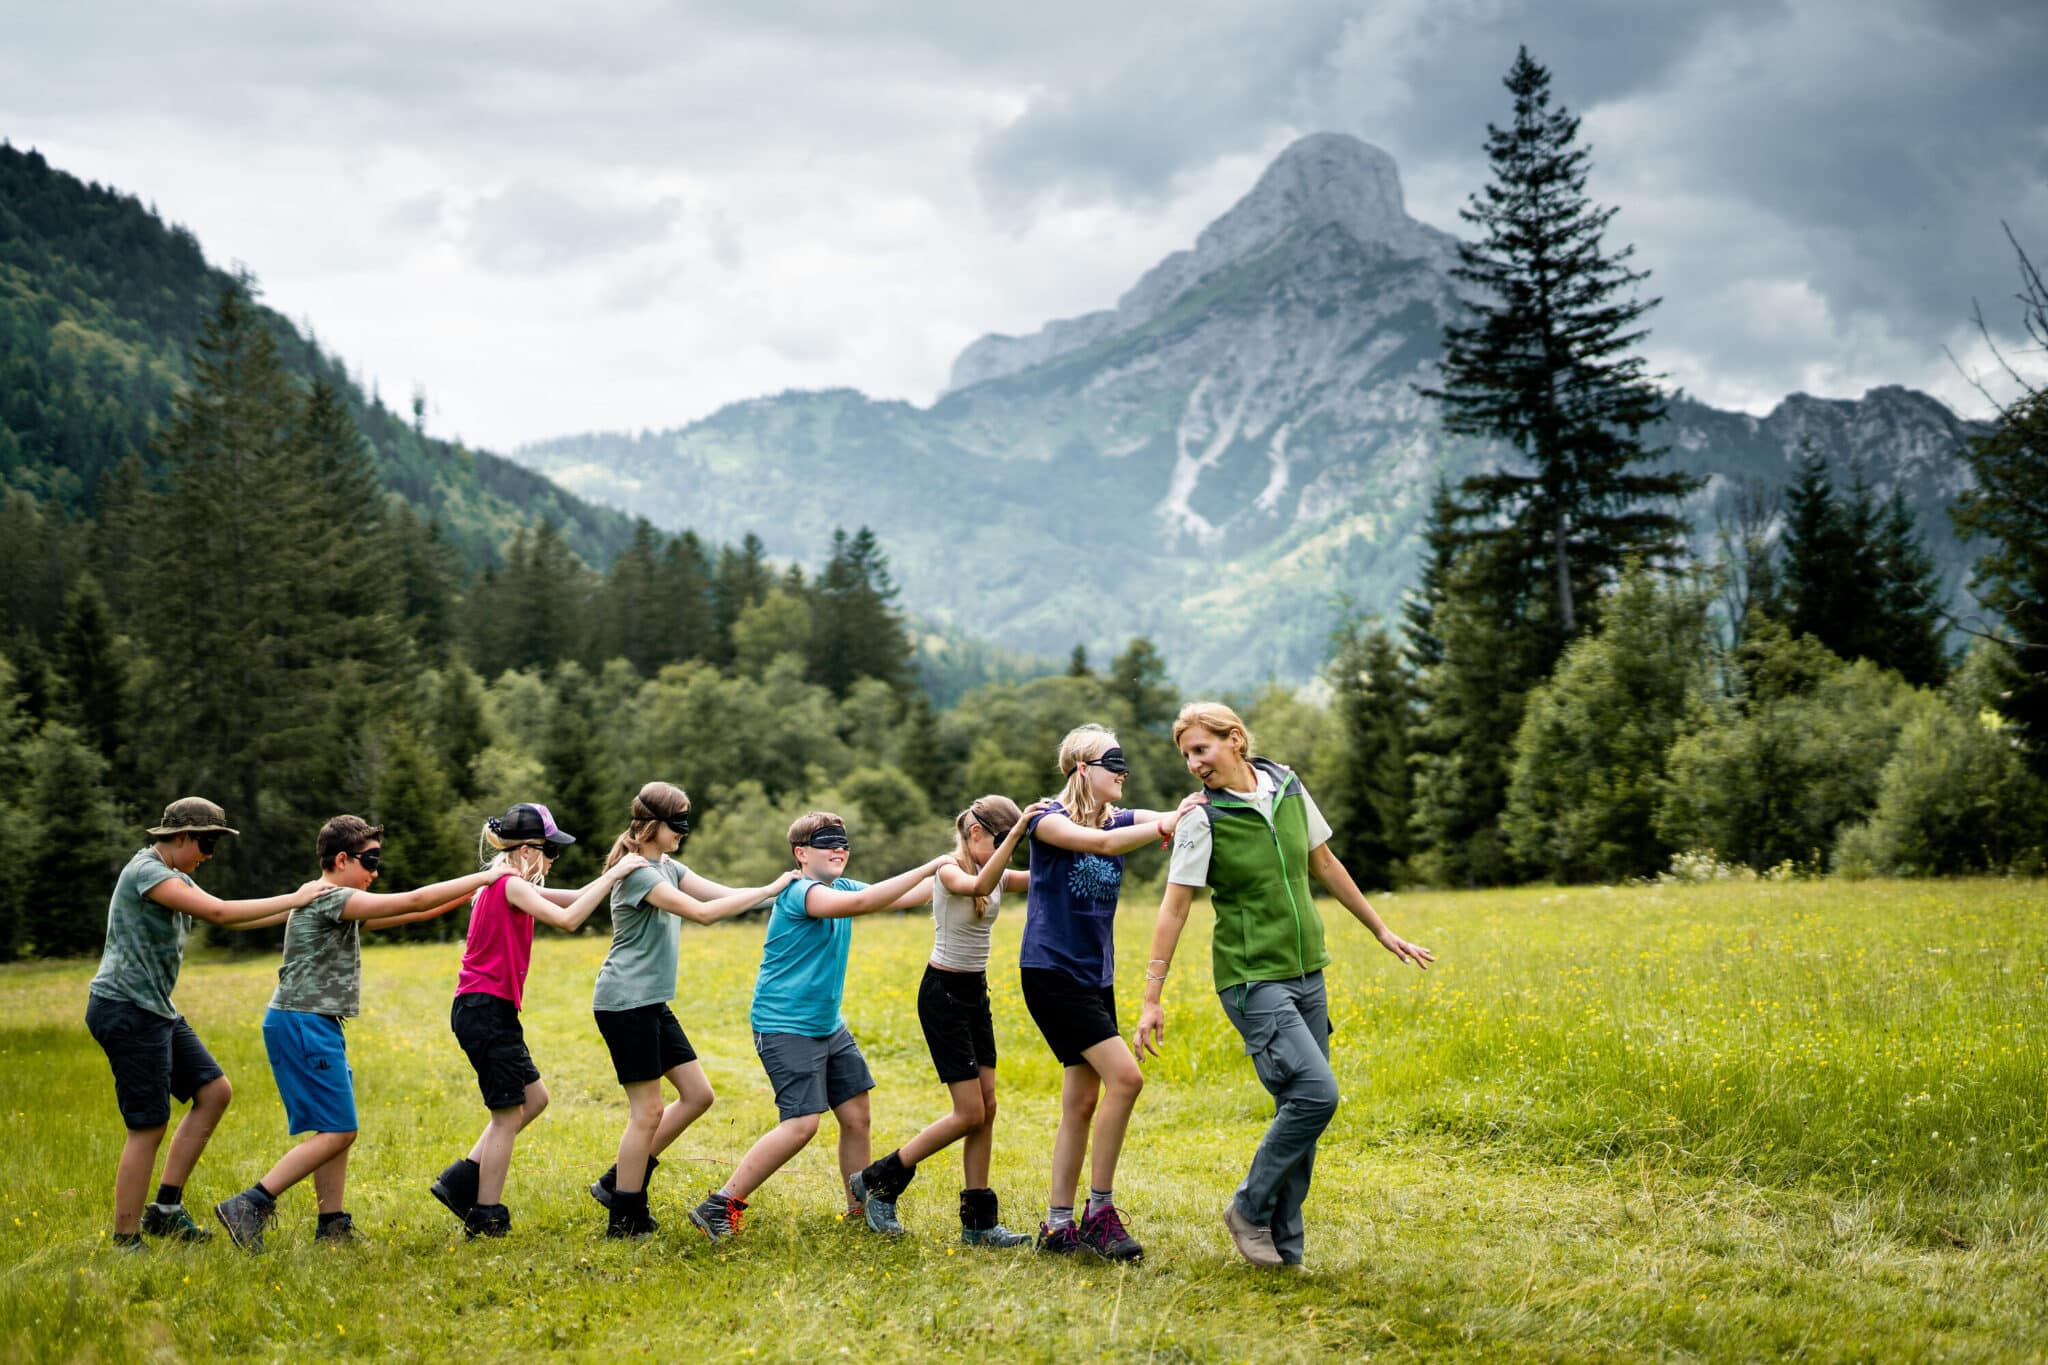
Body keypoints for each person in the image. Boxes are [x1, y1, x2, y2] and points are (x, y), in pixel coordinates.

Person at [1135, 702, 1433, 1269]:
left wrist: (1381, 930)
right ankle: (1247, 1211)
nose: (1195, 764)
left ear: (1236, 740)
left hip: (1306, 972)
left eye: (1202, 749)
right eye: (1187, 756)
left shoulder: (1289, 788)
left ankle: (1286, 1252)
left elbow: (1323, 863)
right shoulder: (1203, 818)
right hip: (1252, 980)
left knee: (1300, 1110)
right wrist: (1152, 997)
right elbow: (1174, 910)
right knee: (1317, 1095)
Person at [213, 815, 508, 1250]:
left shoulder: (340, 904)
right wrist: (490, 874)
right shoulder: (331, 897)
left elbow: (419, 909)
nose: (375, 873)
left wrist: (477, 890)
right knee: (339, 1130)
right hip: (302, 1021)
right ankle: (251, 1203)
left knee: (336, 1127)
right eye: (369, 862)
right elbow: (415, 899)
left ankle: (331, 1223)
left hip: (314, 1021)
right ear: (341, 859)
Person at [687, 812, 950, 1242]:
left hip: (827, 1025)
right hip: (785, 1025)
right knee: (802, 1124)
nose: (839, 849)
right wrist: (930, 865)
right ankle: (721, 1204)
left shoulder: (840, 887)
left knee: (856, 1114)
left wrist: (962, 871)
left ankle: (857, 1208)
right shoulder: (800, 893)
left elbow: (901, 896)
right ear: (800, 854)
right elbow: (866, 904)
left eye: (843, 843)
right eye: (827, 843)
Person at [84, 797, 324, 1251]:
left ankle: (166, 1210)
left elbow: (233, 920)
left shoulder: (174, 876)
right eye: (206, 843)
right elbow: (219, 911)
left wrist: (303, 909)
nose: (208, 856)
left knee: (214, 1092)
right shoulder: (147, 872)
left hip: (155, 1008)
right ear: (179, 838)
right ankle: (125, 1240)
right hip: (125, 1009)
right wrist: (298, 895)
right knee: (148, 1125)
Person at [1018, 725, 1199, 1262]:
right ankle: (1099, 1212)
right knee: (1127, 1077)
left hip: (1096, 976)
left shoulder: (1118, 816)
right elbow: (1099, 843)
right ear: (1081, 768)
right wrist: (1165, 823)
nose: (1122, 771)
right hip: (1052, 973)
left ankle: (1057, 1226)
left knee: (1082, 1100)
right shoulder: (1047, 820)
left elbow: (1148, 819)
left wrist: (1187, 808)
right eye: (1111, 762)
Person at [586, 782, 798, 1239]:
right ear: (653, 825)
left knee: (698, 1095)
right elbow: (703, 913)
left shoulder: (668, 866)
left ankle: (617, 1180)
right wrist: (775, 885)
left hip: (650, 1003)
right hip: (625, 1003)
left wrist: (785, 891)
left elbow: (724, 894)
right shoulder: (639, 872)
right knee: (647, 1112)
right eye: (677, 823)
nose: (684, 831)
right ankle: (624, 1217)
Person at [427, 802, 649, 1238]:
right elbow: (568, 919)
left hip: (490, 1009)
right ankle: (486, 1215)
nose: (551, 862)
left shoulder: (511, 883)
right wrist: (614, 876)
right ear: (528, 850)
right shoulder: (510, 884)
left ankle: (460, 1181)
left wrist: (616, 880)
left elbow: (572, 897)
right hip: (484, 1009)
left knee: (535, 1098)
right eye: (550, 853)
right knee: (507, 1115)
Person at [847, 795, 1045, 1243]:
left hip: (975, 994)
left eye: (1010, 848)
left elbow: (1038, 877)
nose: (1005, 855)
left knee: (987, 1108)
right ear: (976, 833)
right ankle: (880, 1178)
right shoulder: (949, 871)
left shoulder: (995, 871)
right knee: (968, 1112)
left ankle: (979, 1223)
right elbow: (975, 888)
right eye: (1000, 843)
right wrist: (1015, 835)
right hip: (943, 995)